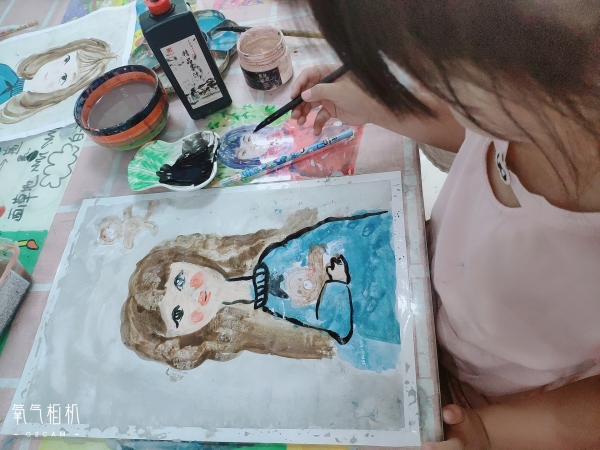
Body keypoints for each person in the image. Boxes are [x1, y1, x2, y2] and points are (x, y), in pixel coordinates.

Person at [293, 1, 600, 449]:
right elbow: (474, 128)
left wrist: (491, 432)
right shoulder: (529, 110)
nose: (418, 85)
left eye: (434, 74)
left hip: (499, 399)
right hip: (433, 307)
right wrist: (377, 105)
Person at [121, 208, 400, 372]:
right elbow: (339, 324)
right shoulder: (272, 309)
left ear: (191, 261)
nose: (191, 296)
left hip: (379, 243)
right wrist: (336, 284)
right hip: (383, 305)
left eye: (181, 281)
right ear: (186, 335)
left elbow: (322, 232)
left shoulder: (270, 260)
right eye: (179, 313)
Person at [0, 38, 116, 124]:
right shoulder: (4, 72)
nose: (54, 72)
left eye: (63, 78)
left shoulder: (18, 112)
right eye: (65, 60)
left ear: (67, 90)